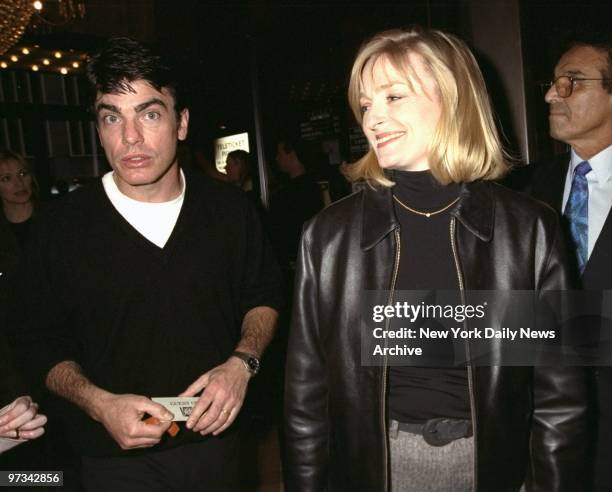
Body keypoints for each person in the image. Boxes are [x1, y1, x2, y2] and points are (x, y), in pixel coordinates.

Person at [284, 27, 587, 492]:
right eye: (366, 104)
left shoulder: (527, 229)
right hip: (377, 468)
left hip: (491, 467)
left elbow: (559, 400)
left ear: (452, 97)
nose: (373, 119)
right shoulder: (328, 236)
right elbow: (307, 402)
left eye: (393, 97)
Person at [19, 37, 281, 491]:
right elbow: (37, 342)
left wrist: (243, 364)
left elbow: (264, 297)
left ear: (181, 124)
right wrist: (100, 404)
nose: (130, 137)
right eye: (111, 118)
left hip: (215, 444)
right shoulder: (58, 229)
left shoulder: (230, 211)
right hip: (108, 456)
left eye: (149, 113)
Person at [527, 34, 612, 491]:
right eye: (553, 82)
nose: (550, 94)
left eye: (571, 82)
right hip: (544, 438)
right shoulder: (525, 193)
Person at [269, 137, 324, 269]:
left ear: (292, 154)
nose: (277, 158)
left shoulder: (286, 192)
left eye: (279, 154)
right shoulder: (314, 186)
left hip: (296, 260)